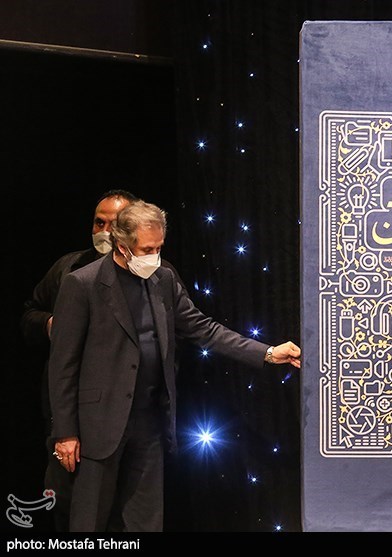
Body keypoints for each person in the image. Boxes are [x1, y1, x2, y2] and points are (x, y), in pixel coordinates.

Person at [48, 200, 302, 532]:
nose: (154, 256)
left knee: (146, 522)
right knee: (89, 523)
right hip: (98, 424)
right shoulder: (82, 284)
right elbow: (63, 365)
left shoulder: (163, 279)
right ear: (122, 246)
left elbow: (204, 329)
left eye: (159, 248)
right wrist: (65, 433)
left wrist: (267, 352)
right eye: (147, 249)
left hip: (149, 422)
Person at [20, 189, 144, 531]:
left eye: (114, 223)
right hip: (71, 413)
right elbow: (29, 313)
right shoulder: (69, 269)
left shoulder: (149, 273)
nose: (104, 231)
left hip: (125, 415)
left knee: (126, 515)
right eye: (98, 223)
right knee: (72, 510)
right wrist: (50, 324)